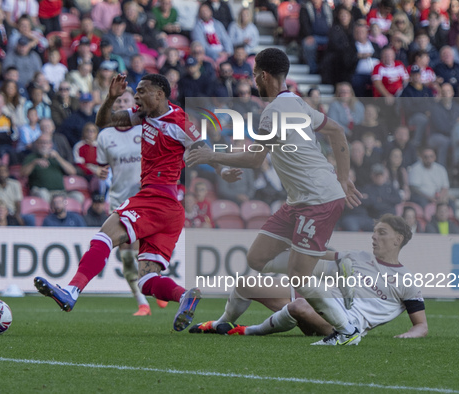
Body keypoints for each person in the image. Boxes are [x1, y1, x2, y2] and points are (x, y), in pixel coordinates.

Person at [186, 48, 365, 345]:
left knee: (298, 276)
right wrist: (343, 178)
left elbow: (256, 160)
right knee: (257, 257)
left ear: (264, 75)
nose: (253, 78)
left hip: (317, 199)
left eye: (255, 73)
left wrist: (211, 154)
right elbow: (337, 133)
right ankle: (223, 322)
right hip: (300, 199)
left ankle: (347, 331)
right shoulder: (296, 102)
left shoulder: (272, 113)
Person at [33, 73, 205, 332]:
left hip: (155, 198)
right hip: (170, 209)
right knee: (147, 279)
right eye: (135, 92)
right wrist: (111, 97)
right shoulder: (144, 115)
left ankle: (71, 290)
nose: (136, 96)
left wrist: (223, 168)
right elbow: (104, 121)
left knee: (103, 238)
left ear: (160, 93)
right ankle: (184, 296)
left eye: (142, 91)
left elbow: (203, 148)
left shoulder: (178, 121)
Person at [197, 215, 429, 345]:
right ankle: (220, 323)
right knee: (246, 285)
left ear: (398, 239)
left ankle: (247, 331)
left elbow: (421, 325)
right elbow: (317, 255)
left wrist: (408, 335)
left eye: (382, 232)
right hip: (318, 301)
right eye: (375, 231)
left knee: (300, 304)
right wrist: (297, 247)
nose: (374, 236)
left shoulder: (405, 280)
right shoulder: (359, 257)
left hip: (340, 322)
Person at [95, 88, 168, 315]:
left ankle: (156, 285)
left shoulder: (144, 127)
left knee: (142, 248)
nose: (123, 104)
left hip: (145, 197)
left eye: (127, 100)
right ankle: (142, 302)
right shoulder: (105, 135)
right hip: (119, 198)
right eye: (119, 101)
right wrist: (101, 173)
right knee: (126, 254)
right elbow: (103, 167)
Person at [21, 133, 79, 204]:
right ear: (37, 144)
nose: (44, 145)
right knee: (43, 193)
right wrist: (34, 162)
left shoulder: (56, 158)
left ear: (51, 144)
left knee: (78, 196)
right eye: (41, 142)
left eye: (47, 142)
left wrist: (58, 157)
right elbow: (22, 173)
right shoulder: (31, 157)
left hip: (60, 193)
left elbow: (72, 172)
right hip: (41, 191)